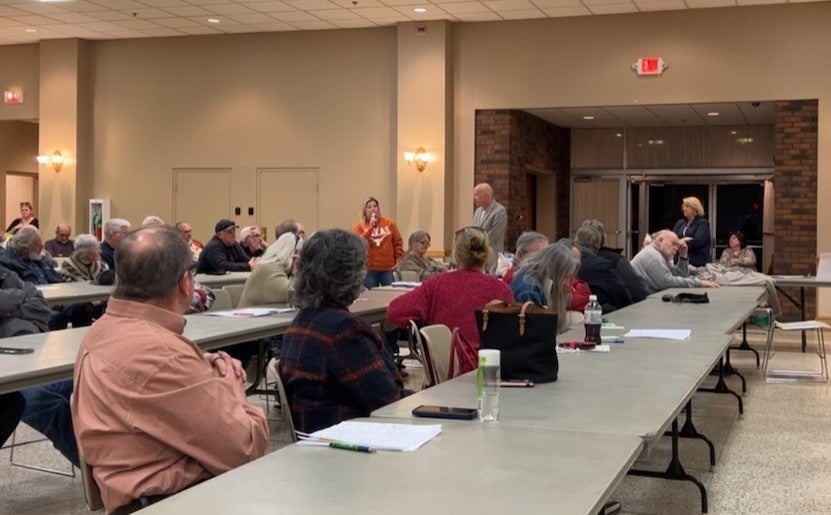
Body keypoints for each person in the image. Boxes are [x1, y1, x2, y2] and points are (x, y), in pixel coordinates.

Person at [72, 226, 269, 513]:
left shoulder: (100, 331)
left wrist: (201, 365)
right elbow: (246, 449)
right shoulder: (164, 355)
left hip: (138, 495)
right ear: (185, 283)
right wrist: (231, 387)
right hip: (178, 500)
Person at [279, 229, 407, 434]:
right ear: (352, 276)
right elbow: (389, 403)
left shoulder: (299, 323)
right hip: (349, 441)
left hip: (317, 438)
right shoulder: (344, 331)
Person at [387, 226, 514, 357]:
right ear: (487, 254)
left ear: (457, 254)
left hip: (446, 368)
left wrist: (422, 320)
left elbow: (394, 312)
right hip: (490, 367)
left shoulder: (435, 285)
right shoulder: (501, 289)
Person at [0, 263, 78, 467]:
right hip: (10, 379)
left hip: (28, 359)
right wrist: (18, 302)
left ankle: (120, 471)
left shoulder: (5, 274)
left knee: (83, 380)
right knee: (47, 402)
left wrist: (10, 315)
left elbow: (40, 305)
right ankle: (101, 482)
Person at [510, 243, 580, 334]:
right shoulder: (529, 290)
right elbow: (536, 332)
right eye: (566, 277)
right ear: (555, 272)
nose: (568, 285)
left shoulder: (534, 281)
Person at [630, 230, 719, 293]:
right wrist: (699, 283)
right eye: (673, 243)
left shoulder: (661, 255)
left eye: (677, 244)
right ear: (660, 240)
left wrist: (683, 255)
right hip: (639, 304)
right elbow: (667, 282)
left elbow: (680, 275)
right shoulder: (652, 255)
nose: (676, 248)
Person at [582, 219, 649, 303]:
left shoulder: (573, 258)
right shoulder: (614, 261)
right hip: (611, 311)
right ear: (603, 238)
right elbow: (639, 292)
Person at [574, 225, 632, 313]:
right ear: (597, 245)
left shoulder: (566, 260)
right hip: (598, 315)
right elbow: (621, 294)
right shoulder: (600, 265)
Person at [238, 231, 301, 307]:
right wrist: (298, 268)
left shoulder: (273, 267)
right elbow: (294, 293)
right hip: (248, 318)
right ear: (293, 253)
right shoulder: (269, 269)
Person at [352, 197, 403, 289]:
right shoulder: (359, 227)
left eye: (375, 206)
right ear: (365, 211)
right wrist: (371, 227)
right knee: (371, 296)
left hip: (387, 267)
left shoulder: (389, 223)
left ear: (378, 209)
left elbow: (397, 242)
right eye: (369, 207)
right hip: (369, 268)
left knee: (388, 296)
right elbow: (360, 243)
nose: (373, 208)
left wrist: (398, 258)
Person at [0, 226, 64, 285]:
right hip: (31, 296)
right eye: (37, 246)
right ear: (24, 249)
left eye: (41, 245)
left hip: (54, 294)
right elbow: (16, 289)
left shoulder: (41, 259)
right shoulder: (5, 264)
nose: (41, 248)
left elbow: (57, 279)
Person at [472, 183, 507, 272]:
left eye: (476, 195)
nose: (474, 198)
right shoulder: (477, 211)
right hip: (477, 256)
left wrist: (476, 244)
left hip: (491, 257)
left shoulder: (500, 211)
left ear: (487, 196)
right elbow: (474, 232)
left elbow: (494, 235)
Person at [672, 196, 712, 266]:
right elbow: (672, 238)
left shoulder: (703, 223)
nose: (684, 209)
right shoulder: (680, 222)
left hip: (697, 262)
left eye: (687, 206)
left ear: (695, 208)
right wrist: (684, 240)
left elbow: (698, 242)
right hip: (679, 261)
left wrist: (680, 242)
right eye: (683, 207)